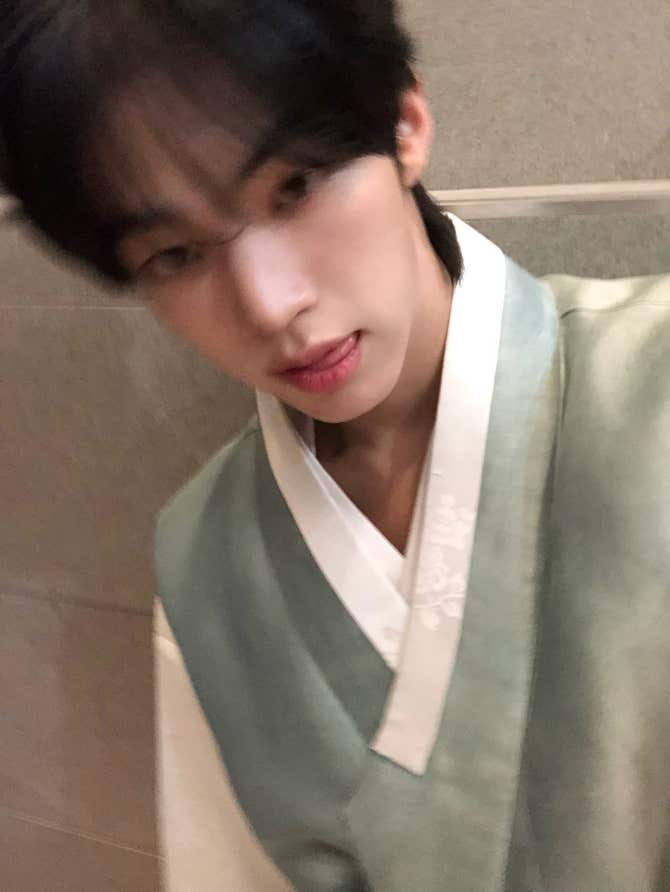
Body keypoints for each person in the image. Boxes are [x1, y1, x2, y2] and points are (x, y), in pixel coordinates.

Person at [2, 2, 669, 890]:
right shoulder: (207, 569)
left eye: (295, 188)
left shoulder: (652, 388)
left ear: (405, 122)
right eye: (173, 255)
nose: (269, 302)